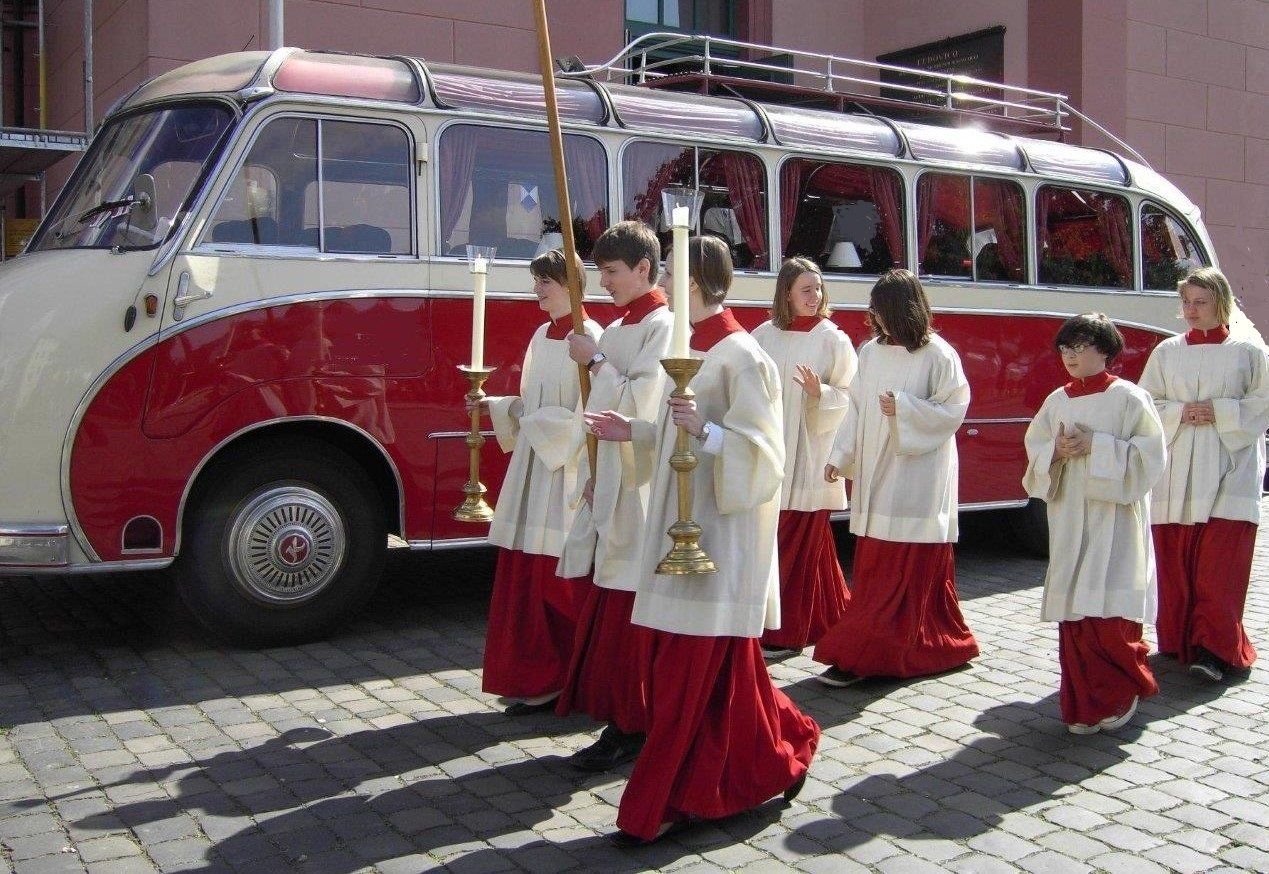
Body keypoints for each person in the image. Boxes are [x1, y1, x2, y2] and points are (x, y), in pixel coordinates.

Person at [585, 235, 819, 845]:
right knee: (712, 674)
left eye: (671, 272)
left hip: (721, 540)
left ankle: (671, 796)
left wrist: (711, 432)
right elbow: (670, 440)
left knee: (694, 673)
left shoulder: (744, 356)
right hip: (678, 536)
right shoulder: (691, 352)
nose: (664, 282)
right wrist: (631, 430)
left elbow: (768, 457)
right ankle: (776, 747)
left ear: (693, 284)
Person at [814, 269, 978, 686]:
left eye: (883, 311)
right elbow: (854, 407)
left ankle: (892, 647)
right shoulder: (870, 353)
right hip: (875, 472)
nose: (876, 319)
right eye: (874, 311)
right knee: (876, 565)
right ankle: (881, 641)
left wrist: (905, 409)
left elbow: (953, 410)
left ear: (904, 310)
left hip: (918, 475)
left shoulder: (938, 355)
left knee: (907, 565)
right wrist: (841, 455)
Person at [555, 221, 673, 770]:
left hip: (640, 488)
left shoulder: (663, 326)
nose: (602, 283)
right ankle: (619, 714)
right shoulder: (624, 325)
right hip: (610, 481)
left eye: (611, 272)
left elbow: (645, 406)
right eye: (600, 271)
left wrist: (597, 361)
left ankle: (637, 719)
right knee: (606, 601)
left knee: (629, 608)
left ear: (644, 270)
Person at [1023, 313, 1165, 733]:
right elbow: (1035, 450)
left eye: (1081, 347)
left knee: (1110, 608)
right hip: (1070, 516)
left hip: (1115, 518)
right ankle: (1083, 698)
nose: (1071, 356)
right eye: (1065, 348)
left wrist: (1097, 446)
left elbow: (1151, 458)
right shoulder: (1057, 400)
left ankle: (1123, 687)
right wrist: (1057, 452)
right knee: (1077, 611)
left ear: (1105, 351)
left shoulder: (1130, 398)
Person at [478, 250, 602, 715]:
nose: (537, 289)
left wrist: (531, 421)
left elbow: (588, 415)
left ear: (571, 284)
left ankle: (563, 673)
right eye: (536, 281)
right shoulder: (539, 335)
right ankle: (532, 672)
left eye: (545, 281)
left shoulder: (590, 337)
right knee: (527, 573)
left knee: (560, 581)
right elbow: (530, 402)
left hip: (568, 473)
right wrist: (496, 406)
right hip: (535, 468)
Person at [1138, 267, 1269, 682]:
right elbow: (1146, 404)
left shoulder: (1248, 353)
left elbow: (1261, 403)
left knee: (1219, 567)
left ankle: (1216, 648)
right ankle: (1179, 640)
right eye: (1187, 303)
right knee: (1176, 562)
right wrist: (1181, 412)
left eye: (1201, 302)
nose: (1191, 311)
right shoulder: (1167, 351)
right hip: (1177, 471)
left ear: (1221, 303)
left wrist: (1220, 412)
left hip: (1230, 469)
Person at [751, 258, 856, 658]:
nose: (815, 297)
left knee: (796, 540)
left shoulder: (833, 339)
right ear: (786, 294)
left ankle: (786, 631)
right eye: (806, 290)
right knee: (803, 545)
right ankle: (828, 617)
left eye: (818, 288)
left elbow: (851, 397)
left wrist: (821, 394)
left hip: (812, 456)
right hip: (774, 450)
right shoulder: (763, 335)